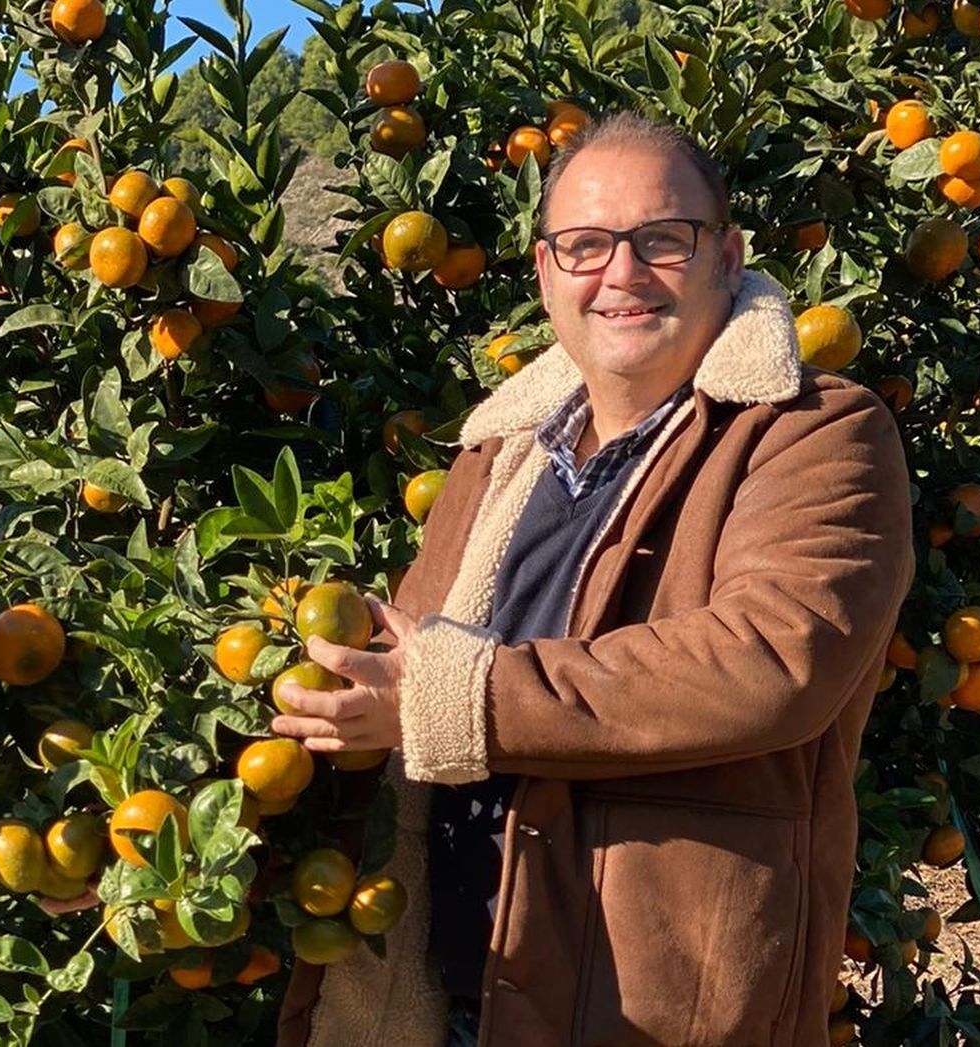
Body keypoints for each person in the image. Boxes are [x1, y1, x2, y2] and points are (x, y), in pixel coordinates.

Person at [270, 110, 915, 1047]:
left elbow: (773, 657)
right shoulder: (492, 461)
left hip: (644, 1009)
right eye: (584, 245)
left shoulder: (813, 433)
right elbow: (392, 707)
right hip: (441, 999)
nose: (620, 273)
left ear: (727, 257)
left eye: (662, 239)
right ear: (544, 273)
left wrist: (458, 691)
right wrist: (187, 844)